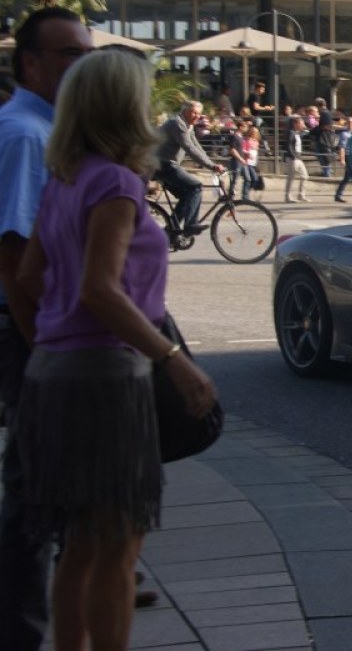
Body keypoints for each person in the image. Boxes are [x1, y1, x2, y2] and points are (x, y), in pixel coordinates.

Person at [9, 49, 217, 651]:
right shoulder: (116, 181)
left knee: (78, 544)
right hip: (106, 378)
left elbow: (27, 278)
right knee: (118, 549)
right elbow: (101, 289)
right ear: (124, 106)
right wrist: (174, 361)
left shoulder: (65, 175)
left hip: (55, 371)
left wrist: (55, 341)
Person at [0, 8, 93, 651]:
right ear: (29, 64)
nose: (79, 65)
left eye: (84, 53)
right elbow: (16, 262)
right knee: (32, 493)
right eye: (66, 54)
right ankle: (20, 631)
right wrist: (45, 355)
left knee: (42, 484)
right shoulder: (29, 136)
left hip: (31, 332)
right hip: (26, 333)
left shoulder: (39, 129)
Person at [156, 100, 226, 235]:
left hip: (168, 165)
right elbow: (189, 148)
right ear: (185, 111)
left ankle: (169, 234)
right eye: (194, 112)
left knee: (186, 196)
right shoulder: (177, 124)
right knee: (196, 186)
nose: (197, 116)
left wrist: (212, 164)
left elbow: (197, 148)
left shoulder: (188, 126)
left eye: (199, 114)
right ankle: (190, 225)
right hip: (162, 165)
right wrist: (211, 166)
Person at [283, 116, 310, 203]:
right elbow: (288, 145)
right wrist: (292, 156)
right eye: (301, 123)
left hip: (298, 157)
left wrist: (305, 129)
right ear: (296, 124)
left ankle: (301, 195)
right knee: (291, 177)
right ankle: (288, 196)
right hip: (292, 157)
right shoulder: (291, 133)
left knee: (305, 176)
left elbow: (307, 133)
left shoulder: (297, 133)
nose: (303, 125)